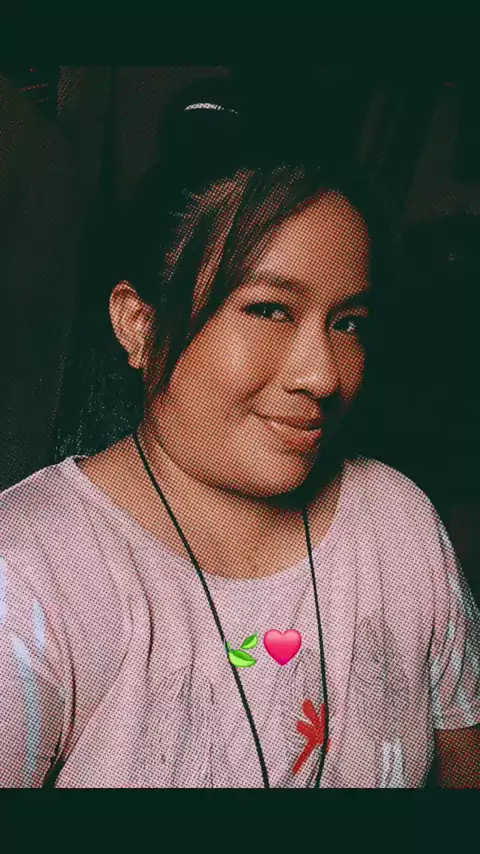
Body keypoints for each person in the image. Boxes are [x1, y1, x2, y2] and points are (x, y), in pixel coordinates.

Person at [1, 95, 480, 789]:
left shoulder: (397, 527)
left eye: (347, 322)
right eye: (270, 310)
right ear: (138, 324)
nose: (323, 375)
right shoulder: (30, 579)